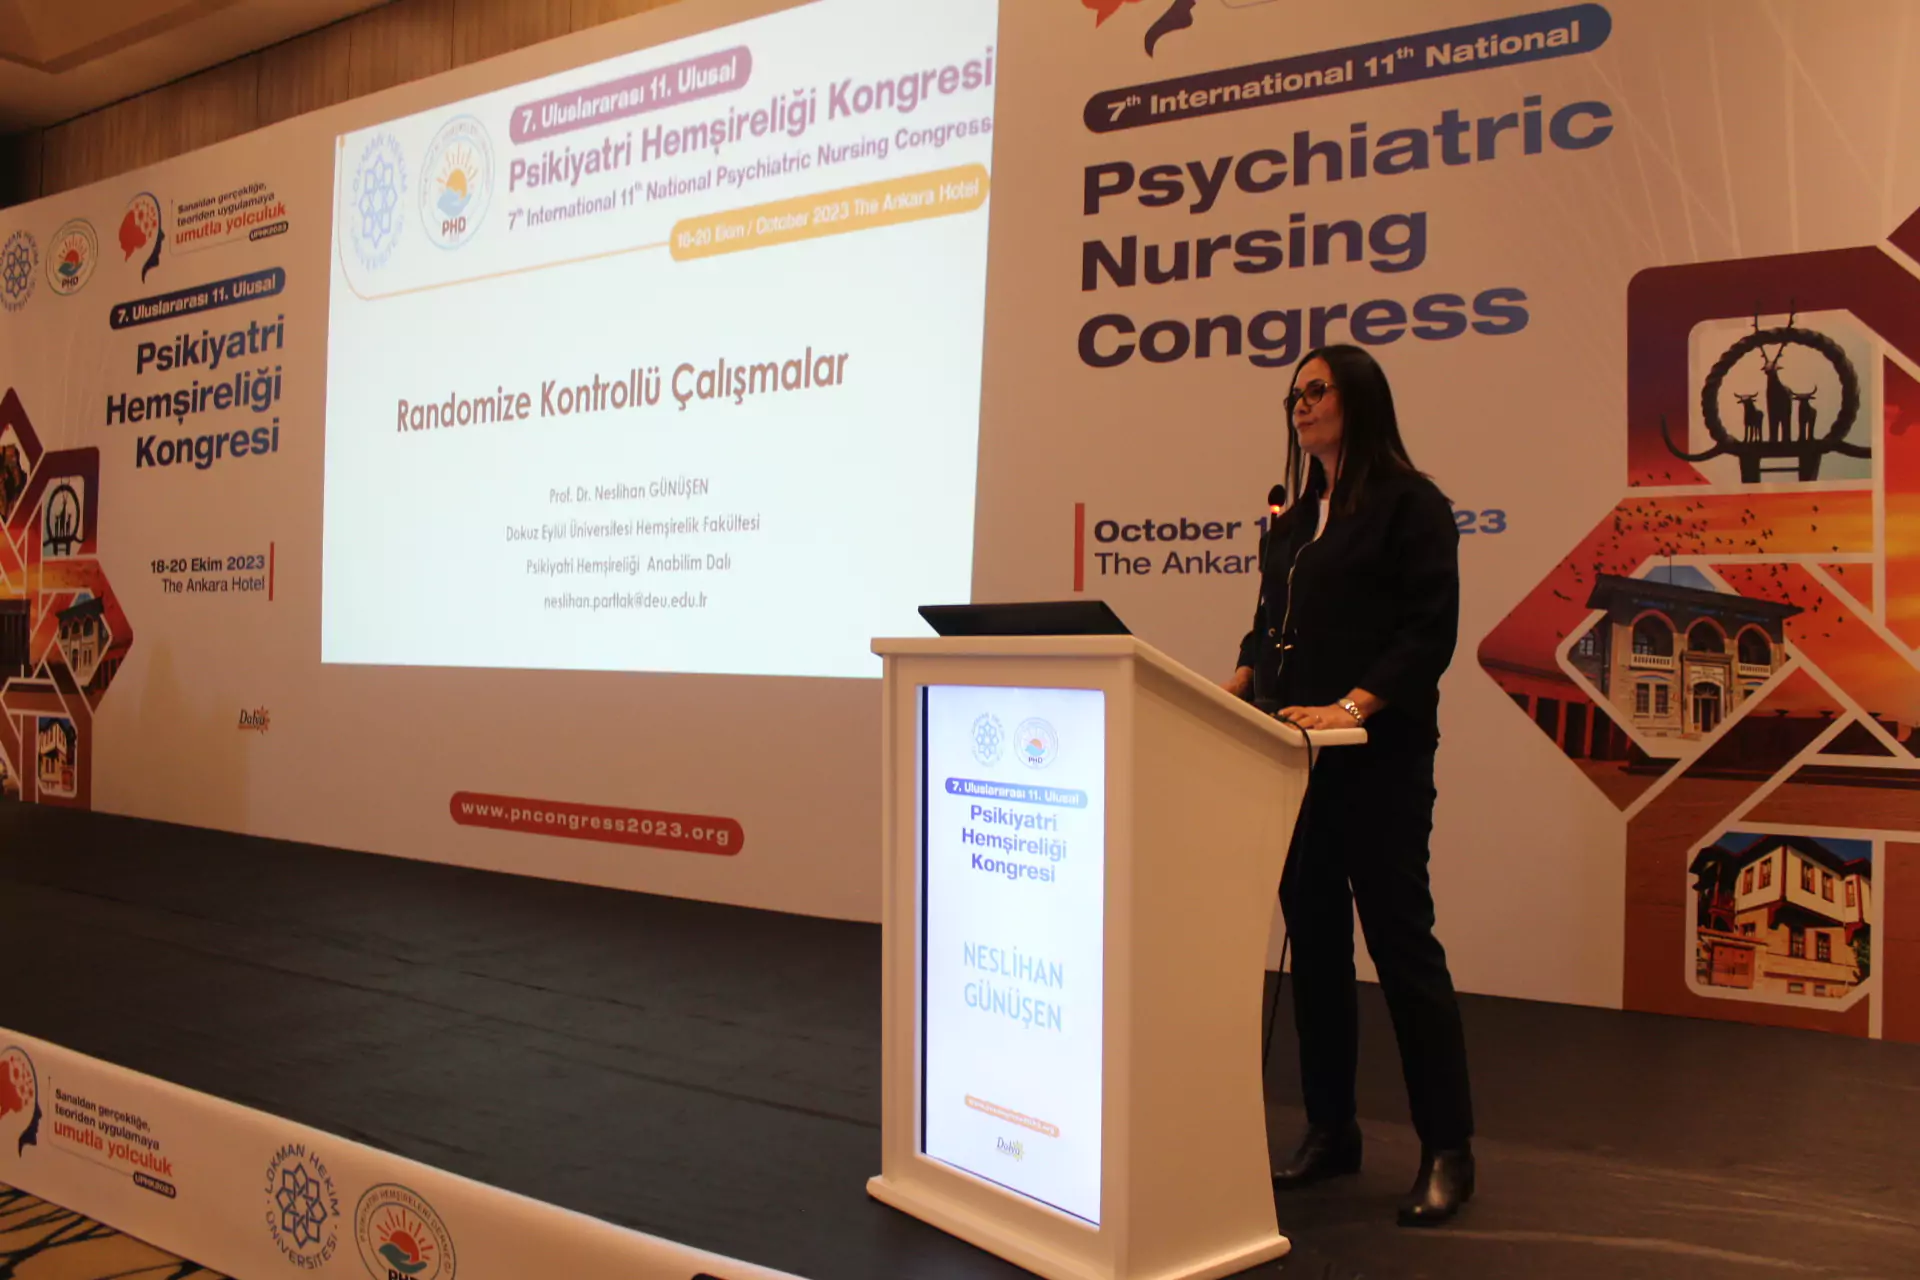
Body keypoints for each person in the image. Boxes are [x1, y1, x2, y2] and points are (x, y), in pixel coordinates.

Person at [1221, 344, 1475, 1227]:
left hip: (1378, 759)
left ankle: (1448, 1148)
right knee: (1317, 949)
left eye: (1317, 390)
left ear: (1358, 399)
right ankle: (1332, 1131)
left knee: (1402, 948)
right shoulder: (1293, 521)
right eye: (1293, 394)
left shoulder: (1411, 505)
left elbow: (1428, 632)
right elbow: (1269, 625)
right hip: (1293, 758)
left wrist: (1352, 705)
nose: (1301, 405)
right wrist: (1239, 681)